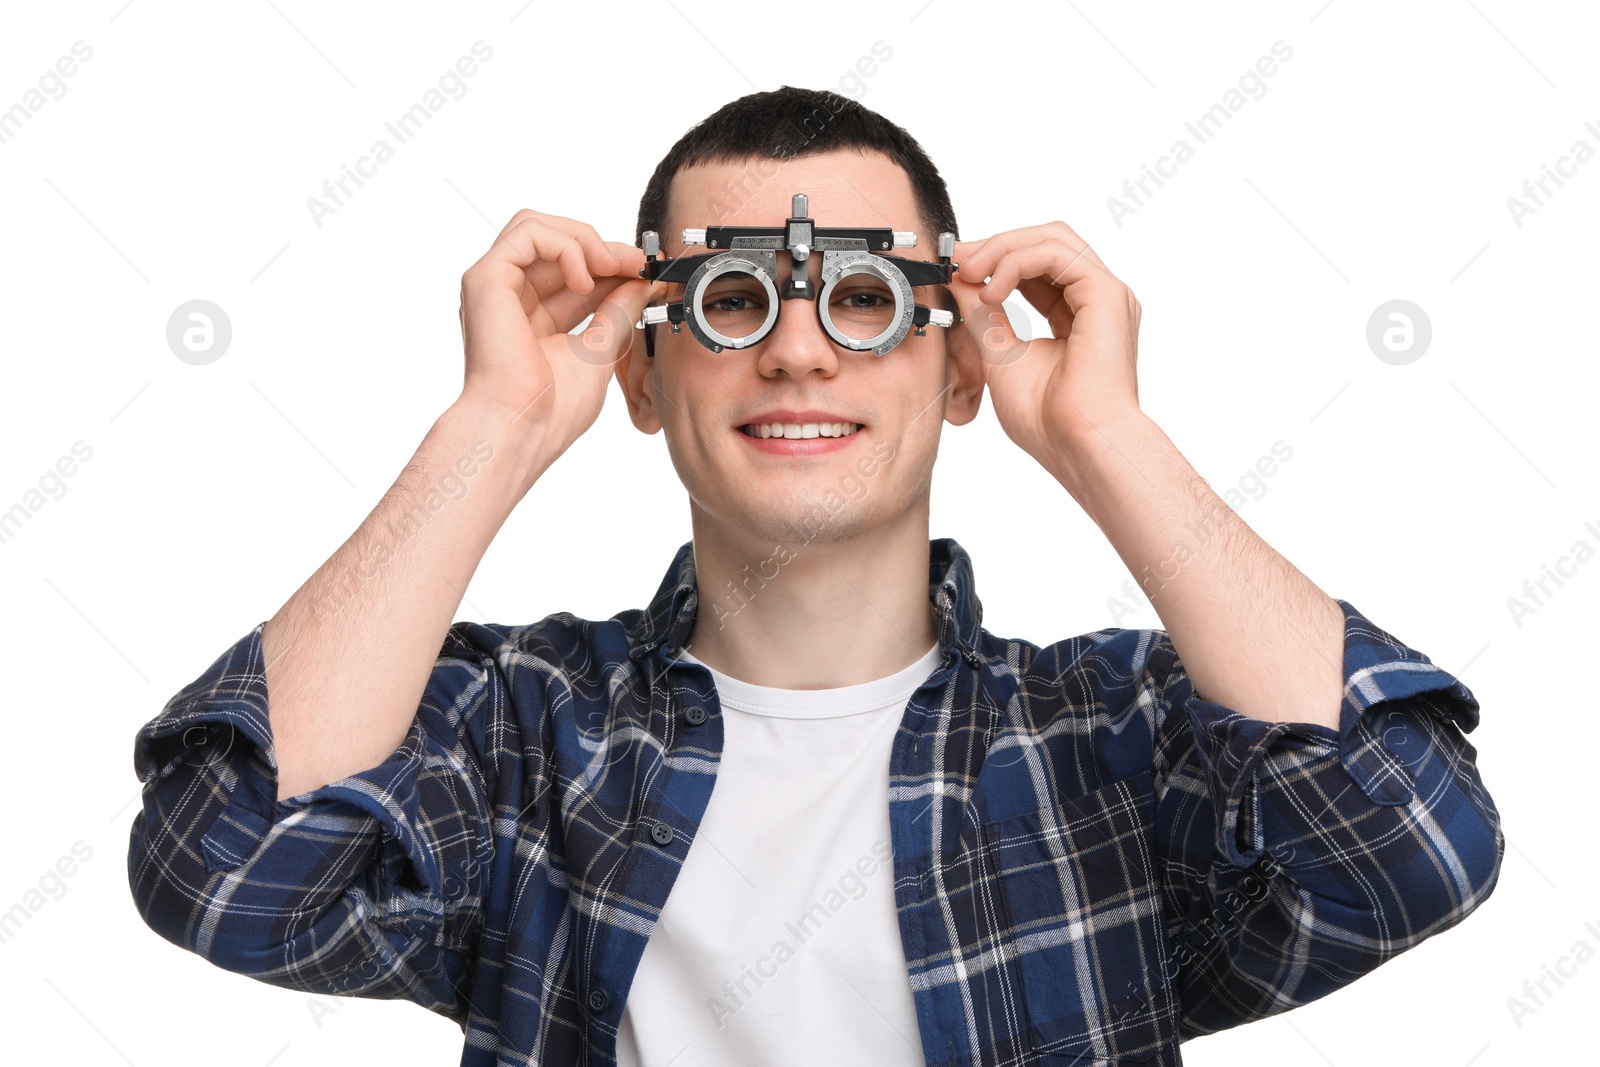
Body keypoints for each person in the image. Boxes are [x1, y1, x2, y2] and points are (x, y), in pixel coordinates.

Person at [126, 86, 1503, 1067]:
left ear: (960, 360)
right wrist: (489, 433)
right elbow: (226, 865)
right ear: (645, 381)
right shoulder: (524, 735)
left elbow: (1414, 850)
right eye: (731, 300)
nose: (797, 352)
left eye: (863, 298)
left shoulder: (1114, 740)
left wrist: (1108, 440)